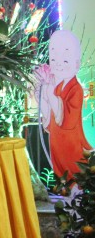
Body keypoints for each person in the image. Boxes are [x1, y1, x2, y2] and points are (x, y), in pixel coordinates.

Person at [39, 30, 92, 180]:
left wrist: (50, 94)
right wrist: (42, 96)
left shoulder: (76, 89)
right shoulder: (57, 87)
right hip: (57, 144)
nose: (58, 65)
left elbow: (68, 121)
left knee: (75, 178)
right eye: (54, 60)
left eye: (65, 61)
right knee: (62, 179)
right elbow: (50, 119)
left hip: (71, 145)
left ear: (77, 64)